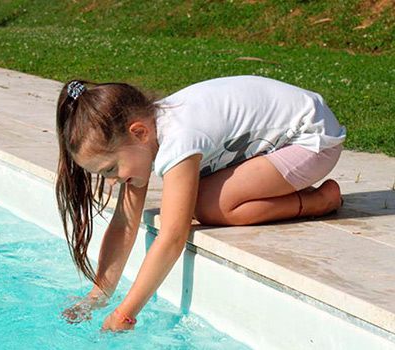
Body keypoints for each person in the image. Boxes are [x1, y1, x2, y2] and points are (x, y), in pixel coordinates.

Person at [55, 75, 346, 331]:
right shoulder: (145, 133)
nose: (111, 181)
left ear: (139, 133)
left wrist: (126, 313)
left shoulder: (179, 137)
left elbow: (172, 237)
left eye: (110, 169)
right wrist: (97, 297)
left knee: (207, 206)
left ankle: (319, 200)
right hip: (286, 139)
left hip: (312, 141)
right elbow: (125, 223)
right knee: (194, 199)